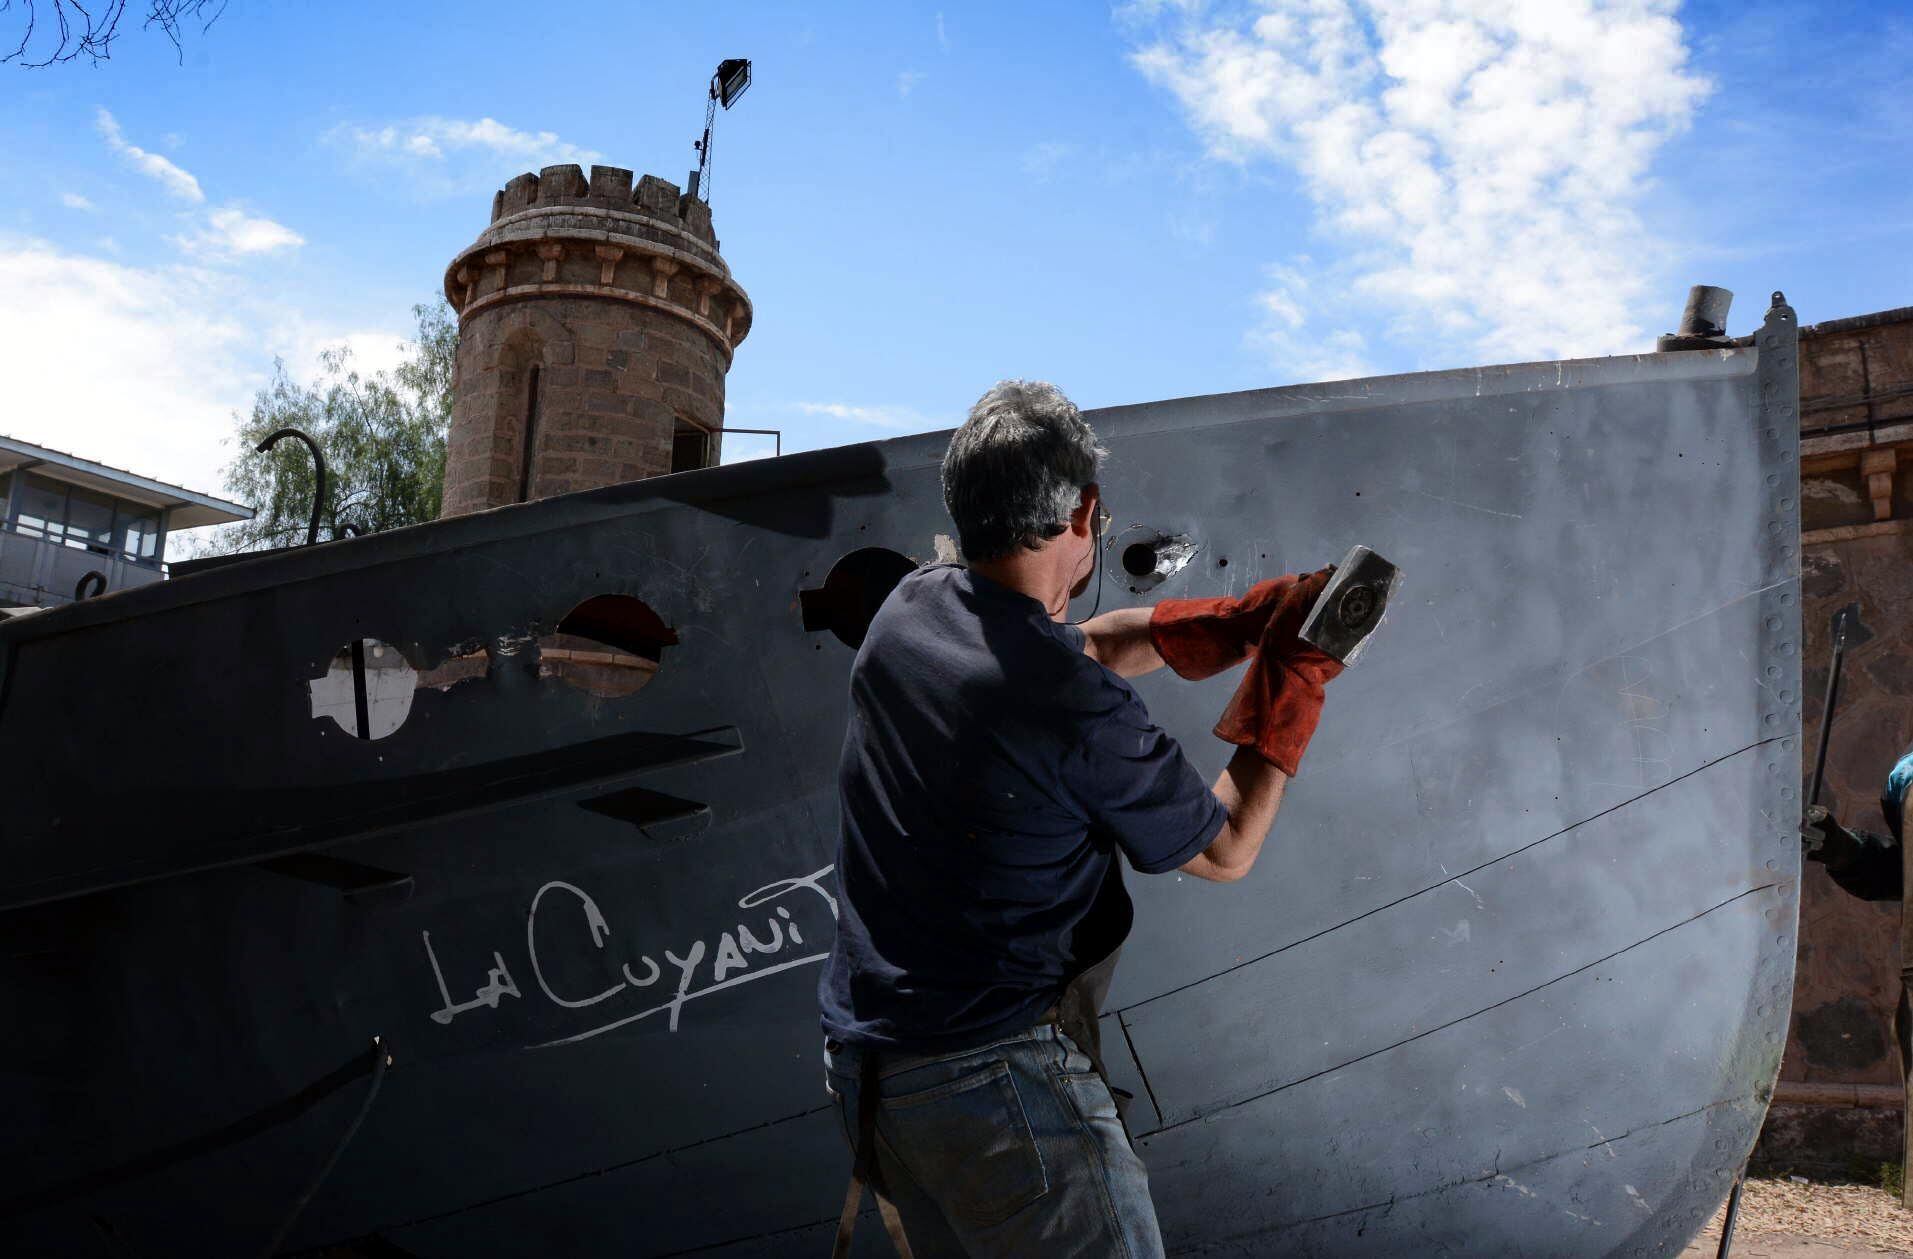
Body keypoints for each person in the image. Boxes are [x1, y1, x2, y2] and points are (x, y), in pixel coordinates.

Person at [818, 380, 1347, 1258]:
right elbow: (1224, 848)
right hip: (997, 1091)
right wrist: (1290, 674)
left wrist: (1241, 620)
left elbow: (1089, 643)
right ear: (1085, 512)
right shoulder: (1068, 705)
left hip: (874, 1077)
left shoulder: (914, 609)